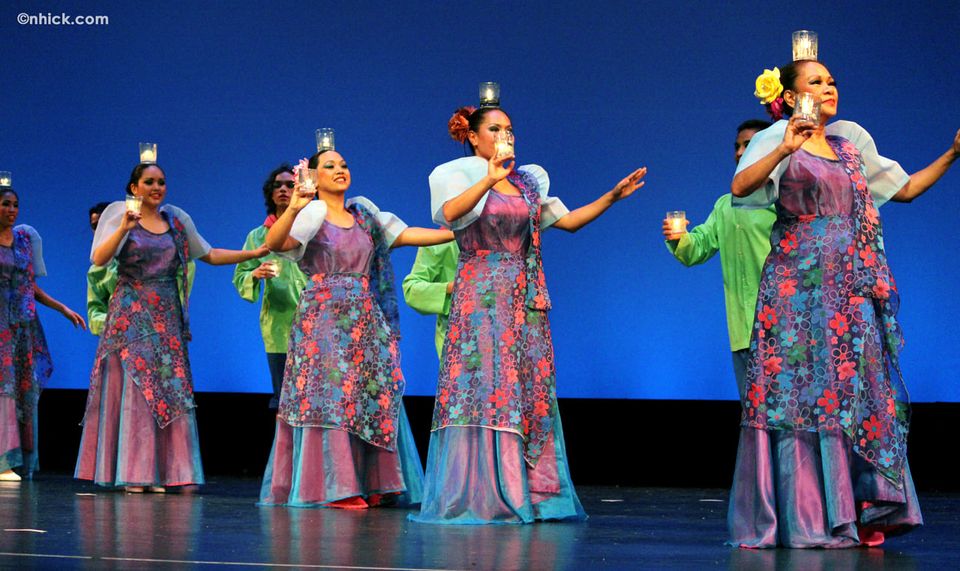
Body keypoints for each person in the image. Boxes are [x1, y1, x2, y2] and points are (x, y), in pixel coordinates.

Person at [728, 59, 960, 548]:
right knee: (803, 394)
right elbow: (740, 189)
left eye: (832, 80)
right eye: (816, 81)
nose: (829, 87)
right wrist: (785, 146)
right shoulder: (777, 139)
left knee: (861, 388)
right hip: (796, 287)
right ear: (790, 97)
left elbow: (908, 189)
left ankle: (865, 505)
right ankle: (808, 513)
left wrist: (954, 153)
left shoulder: (849, 146)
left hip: (850, 284)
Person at [411, 104, 646, 524]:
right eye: (496, 129)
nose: (506, 136)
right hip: (480, 296)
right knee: (485, 389)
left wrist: (612, 196)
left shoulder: (526, 184)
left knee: (527, 387)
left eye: (510, 129)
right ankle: (481, 490)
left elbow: (568, 221)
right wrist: (488, 178)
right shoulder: (462, 177)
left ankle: (533, 490)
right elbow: (450, 215)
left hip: (523, 298)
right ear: (474, 137)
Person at [258, 147, 452, 509]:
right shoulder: (312, 213)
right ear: (314, 176)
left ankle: (376, 479)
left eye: (344, 164)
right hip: (323, 320)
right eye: (329, 165)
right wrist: (297, 204)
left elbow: (406, 235)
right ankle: (335, 485)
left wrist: (457, 234)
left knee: (370, 393)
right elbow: (275, 244)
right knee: (333, 396)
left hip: (364, 318)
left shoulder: (364, 214)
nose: (340, 170)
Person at [75, 162, 268, 492]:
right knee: (138, 390)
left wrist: (253, 251)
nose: (156, 187)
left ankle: (163, 471)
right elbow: (99, 259)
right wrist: (123, 227)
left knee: (166, 390)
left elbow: (208, 254)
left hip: (166, 316)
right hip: (131, 315)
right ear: (134, 188)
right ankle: (135, 472)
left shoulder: (175, 222)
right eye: (149, 181)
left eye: (161, 181)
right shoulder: (121, 218)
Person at [663, 119, 774, 399]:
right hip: (743, 329)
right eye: (737, 146)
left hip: (782, 323)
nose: (739, 152)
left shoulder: (783, 199)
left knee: (788, 413)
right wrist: (680, 237)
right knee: (754, 413)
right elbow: (699, 247)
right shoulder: (725, 205)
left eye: (748, 145)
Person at [1, 184, 86, 481]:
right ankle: (3, 462)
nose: (11, 210)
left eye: (14, 205)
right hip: (0, 324)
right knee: (3, 388)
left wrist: (62, 308)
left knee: (22, 389)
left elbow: (30, 286)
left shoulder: (24, 241)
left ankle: (18, 459)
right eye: (4, 204)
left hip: (23, 325)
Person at [233, 165, 308, 409]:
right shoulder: (258, 236)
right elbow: (240, 275)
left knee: (314, 396)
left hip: (314, 320)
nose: (284, 189)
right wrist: (254, 274)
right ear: (271, 193)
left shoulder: (312, 230)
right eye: (278, 185)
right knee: (284, 399)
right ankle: (284, 447)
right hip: (278, 325)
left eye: (290, 185)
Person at [401, 240, 460, 358]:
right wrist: (451, 287)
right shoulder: (441, 243)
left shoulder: (504, 238)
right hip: (459, 338)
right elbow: (411, 290)